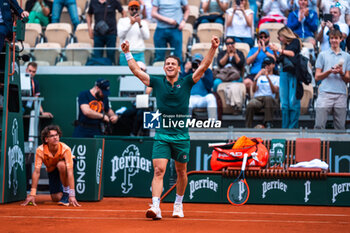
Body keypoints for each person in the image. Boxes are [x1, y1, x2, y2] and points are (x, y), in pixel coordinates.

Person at [121, 36, 219, 220]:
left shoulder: (188, 82)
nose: (170, 66)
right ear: (164, 67)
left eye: (173, 63)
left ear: (179, 68)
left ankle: (178, 204)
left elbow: (204, 67)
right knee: (159, 171)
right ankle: (156, 207)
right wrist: (127, 52)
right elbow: (136, 71)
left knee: (181, 171)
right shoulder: (157, 82)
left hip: (181, 136)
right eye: (167, 63)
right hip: (162, 135)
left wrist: (213, 47)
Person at [21, 125, 81, 207]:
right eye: (52, 136)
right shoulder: (40, 150)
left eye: (56, 135)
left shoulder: (65, 149)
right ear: (46, 139)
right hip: (52, 169)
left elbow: (70, 173)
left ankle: (66, 192)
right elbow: (37, 172)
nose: (55, 137)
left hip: (65, 166)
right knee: (56, 198)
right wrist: (32, 194)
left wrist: (72, 194)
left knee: (61, 165)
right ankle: (63, 193)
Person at [314, 29, 350, 129]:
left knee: (340, 127)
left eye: (336, 38)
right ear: (329, 40)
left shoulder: (347, 56)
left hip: (341, 94)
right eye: (332, 38)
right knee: (319, 126)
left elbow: (348, 79)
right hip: (325, 93)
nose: (334, 40)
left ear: (341, 39)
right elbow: (317, 77)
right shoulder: (322, 55)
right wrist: (330, 71)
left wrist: (341, 73)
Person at [270, 26, 302, 129]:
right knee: (284, 103)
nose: (279, 39)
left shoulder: (295, 42)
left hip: (293, 73)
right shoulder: (283, 46)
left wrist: (279, 49)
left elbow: (292, 54)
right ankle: (285, 127)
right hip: (284, 72)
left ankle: (292, 127)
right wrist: (274, 51)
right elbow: (279, 60)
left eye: (280, 37)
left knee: (293, 102)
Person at [87, 0, 125, 65]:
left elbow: (123, 12)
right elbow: (89, 14)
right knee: (97, 57)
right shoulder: (93, 2)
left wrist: (122, 24)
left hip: (111, 33)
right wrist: (89, 28)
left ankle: (111, 74)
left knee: (111, 55)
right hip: (98, 34)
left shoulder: (113, 1)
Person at [245, 56, 279, 128]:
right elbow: (254, 90)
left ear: (273, 65)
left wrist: (268, 78)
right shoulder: (260, 77)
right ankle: (248, 126)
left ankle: (268, 123)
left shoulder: (277, 78)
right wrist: (256, 78)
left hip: (270, 98)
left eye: (268, 64)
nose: (267, 66)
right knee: (251, 103)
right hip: (259, 98)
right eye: (265, 65)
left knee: (268, 98)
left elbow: (274, 91)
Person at [184, 53, 218, 120]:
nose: (197, 65)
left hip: (203, 97)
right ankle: (186, 124)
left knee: (211, 98)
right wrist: (186, 71)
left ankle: (213, 123)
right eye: (195, 63)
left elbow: (210, 86)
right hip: (191, 97)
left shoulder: (207, 71)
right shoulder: (189, 71)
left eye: (199, 62)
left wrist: (203, 76)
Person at [118, 0, 150, 65]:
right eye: (132, 9)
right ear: (129, 10)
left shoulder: (143, 22)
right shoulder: (122, 21)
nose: (134, 10)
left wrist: (140, 24)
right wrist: (130, 24)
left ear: (139, 10)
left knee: (140, 74)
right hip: (125, 54)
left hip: (139, 53)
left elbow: (146, 37)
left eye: (136, 9)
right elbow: (120, 35)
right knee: (124, 74)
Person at [245, 29, 276, 94]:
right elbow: (248, 62)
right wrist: (258, 51)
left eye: (265, 37)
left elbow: (275, 60)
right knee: (246, 82)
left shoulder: (272, 48)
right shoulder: (253, 49)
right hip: (255, 74)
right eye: (261, 37)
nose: (263, 38)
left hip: (270, 74)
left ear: (269, 38)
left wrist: (265, 51)